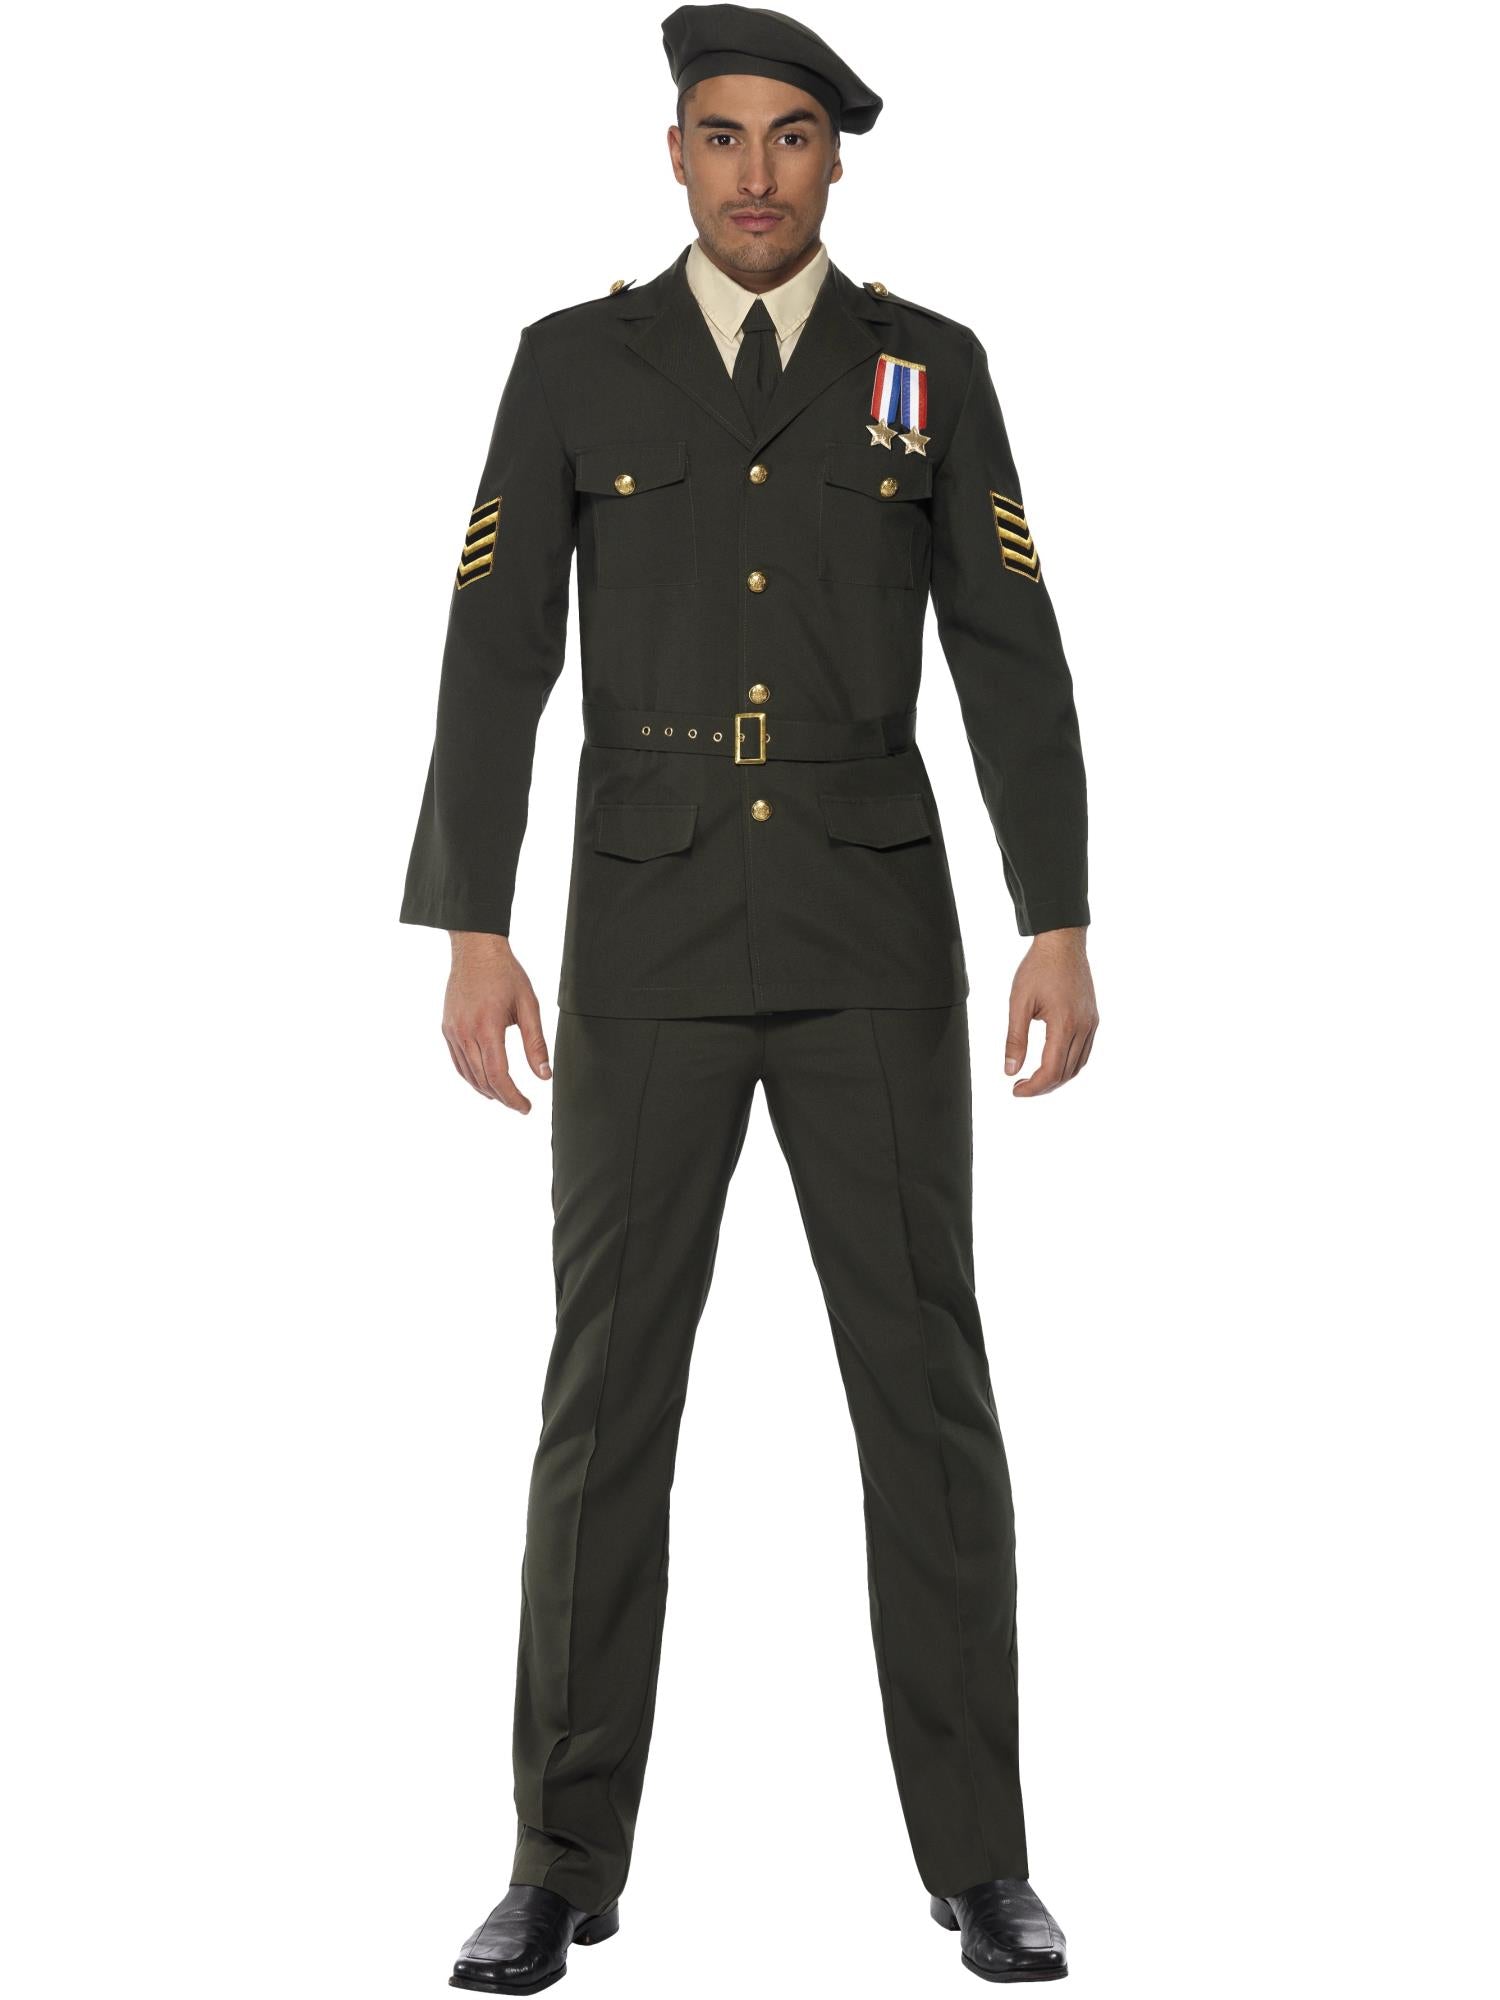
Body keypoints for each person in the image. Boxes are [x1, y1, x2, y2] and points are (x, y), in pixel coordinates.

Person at [401, 5, 1098, 1987]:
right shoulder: (574, 364)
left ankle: (983, 1862)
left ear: (835, 160)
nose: (757, 173)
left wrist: (1057, 913)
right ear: (676, 156)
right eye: (722, 136)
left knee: (928, 1401)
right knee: (605, 1404)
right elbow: (494, 645)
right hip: (645, 939)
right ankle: (557, 1863)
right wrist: (472, 921)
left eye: (792, 137)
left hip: (874, 941)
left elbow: (1011, 642)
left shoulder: (923, 367)